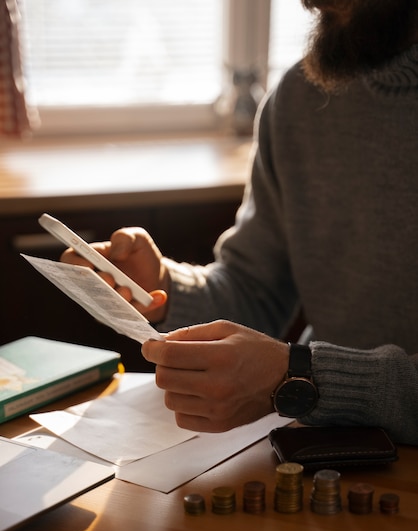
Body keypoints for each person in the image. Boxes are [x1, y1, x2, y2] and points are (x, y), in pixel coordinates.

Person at [62, 0, 418, 444]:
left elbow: (296, 371)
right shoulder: (301, 97)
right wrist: (163, 288)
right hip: (320, 443)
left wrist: (304, 379)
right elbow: (255, 291)